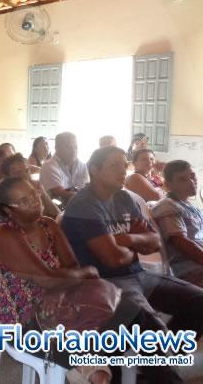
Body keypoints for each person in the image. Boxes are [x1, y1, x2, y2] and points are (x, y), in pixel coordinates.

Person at [0, 177, 182, 384]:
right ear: (8, 210)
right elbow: (49, 279)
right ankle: (102, 371)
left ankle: (162, 377)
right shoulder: (4, 235)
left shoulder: (49, 225)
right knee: (104, 354)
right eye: (25, 201)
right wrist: (84, 273)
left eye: (35, 194)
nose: (36, 201)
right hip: (26, 322)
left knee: (134, 315)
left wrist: (62, 287)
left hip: (66, 306)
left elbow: (71, 267)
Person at [61, 146, 203, 371]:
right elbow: (113, 259)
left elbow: (154, 242)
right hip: (104, 284)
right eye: (114, 166)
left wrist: (125, 238)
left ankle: (157, 361)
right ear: (95, 170)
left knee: (199, 302)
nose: (122, 172)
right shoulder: (84, 205)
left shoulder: (124, 197)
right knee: (152, 330)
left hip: (138, 274)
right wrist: (137, 241)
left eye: (124, 165)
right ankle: (157, 362)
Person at [152, 160, 203, 287]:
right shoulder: (168, 205)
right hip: (189, 269)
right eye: (182, 179)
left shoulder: (192, 208)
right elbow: (181, 243)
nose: (192, 182)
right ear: (168, 184)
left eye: (192, 176)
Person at [2, 153, 60, 218]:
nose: (25, 176)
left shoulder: (36, 185)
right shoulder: (8, 198)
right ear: (7, 178)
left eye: (27, 171)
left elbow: (55, 212)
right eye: (18, 173)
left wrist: (43, 194)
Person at [39, 132, 88, 205]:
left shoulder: (82, 165)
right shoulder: (48, 166)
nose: (73, 150)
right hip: (55, 212)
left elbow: (84, 189)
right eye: (68, 147)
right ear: (57, 148)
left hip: (78, 207)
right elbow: (61, 193)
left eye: (75, 147)